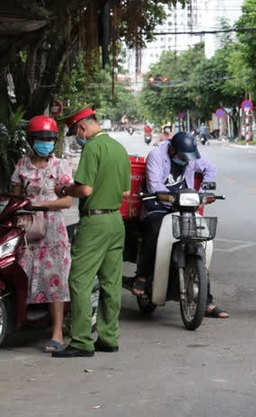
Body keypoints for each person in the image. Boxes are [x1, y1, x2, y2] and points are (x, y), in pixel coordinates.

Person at [53, 107, 130, 357]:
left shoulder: (92, 148)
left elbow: (84, 190)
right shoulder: (118, 149)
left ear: (82, 128)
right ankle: (108, 337)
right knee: (111, 282)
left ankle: (81, 341)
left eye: (76, 131)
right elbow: (126, 192)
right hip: (116, 221)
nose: (77, 136)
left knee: (79, 281)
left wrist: (65, 190)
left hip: (94, 222)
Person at [135, 132, 228, 318]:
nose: (186, 161)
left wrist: (201, 192)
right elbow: (154, 186)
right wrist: (173, 200)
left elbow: (210, 168)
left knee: (198, 238)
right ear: (172, 150)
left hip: (184, 203)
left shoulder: (191, 156)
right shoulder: (156, 156)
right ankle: (143, 276)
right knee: (155, 228)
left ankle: (206, 301)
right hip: (158, 203)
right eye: (182, 157)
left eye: (188, 158)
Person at [10, 115, 74, 353]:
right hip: (26, 229)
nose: (45, 142)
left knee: (54, 279)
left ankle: (57, 333)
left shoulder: (61, 166)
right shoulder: (22, 165)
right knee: (22, 273)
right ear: (32, 140)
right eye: (41, 138)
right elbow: (15, 196)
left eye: (49, 138)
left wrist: (39, 205)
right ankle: (23, 322)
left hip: (52, 231)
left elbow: (67, 201)